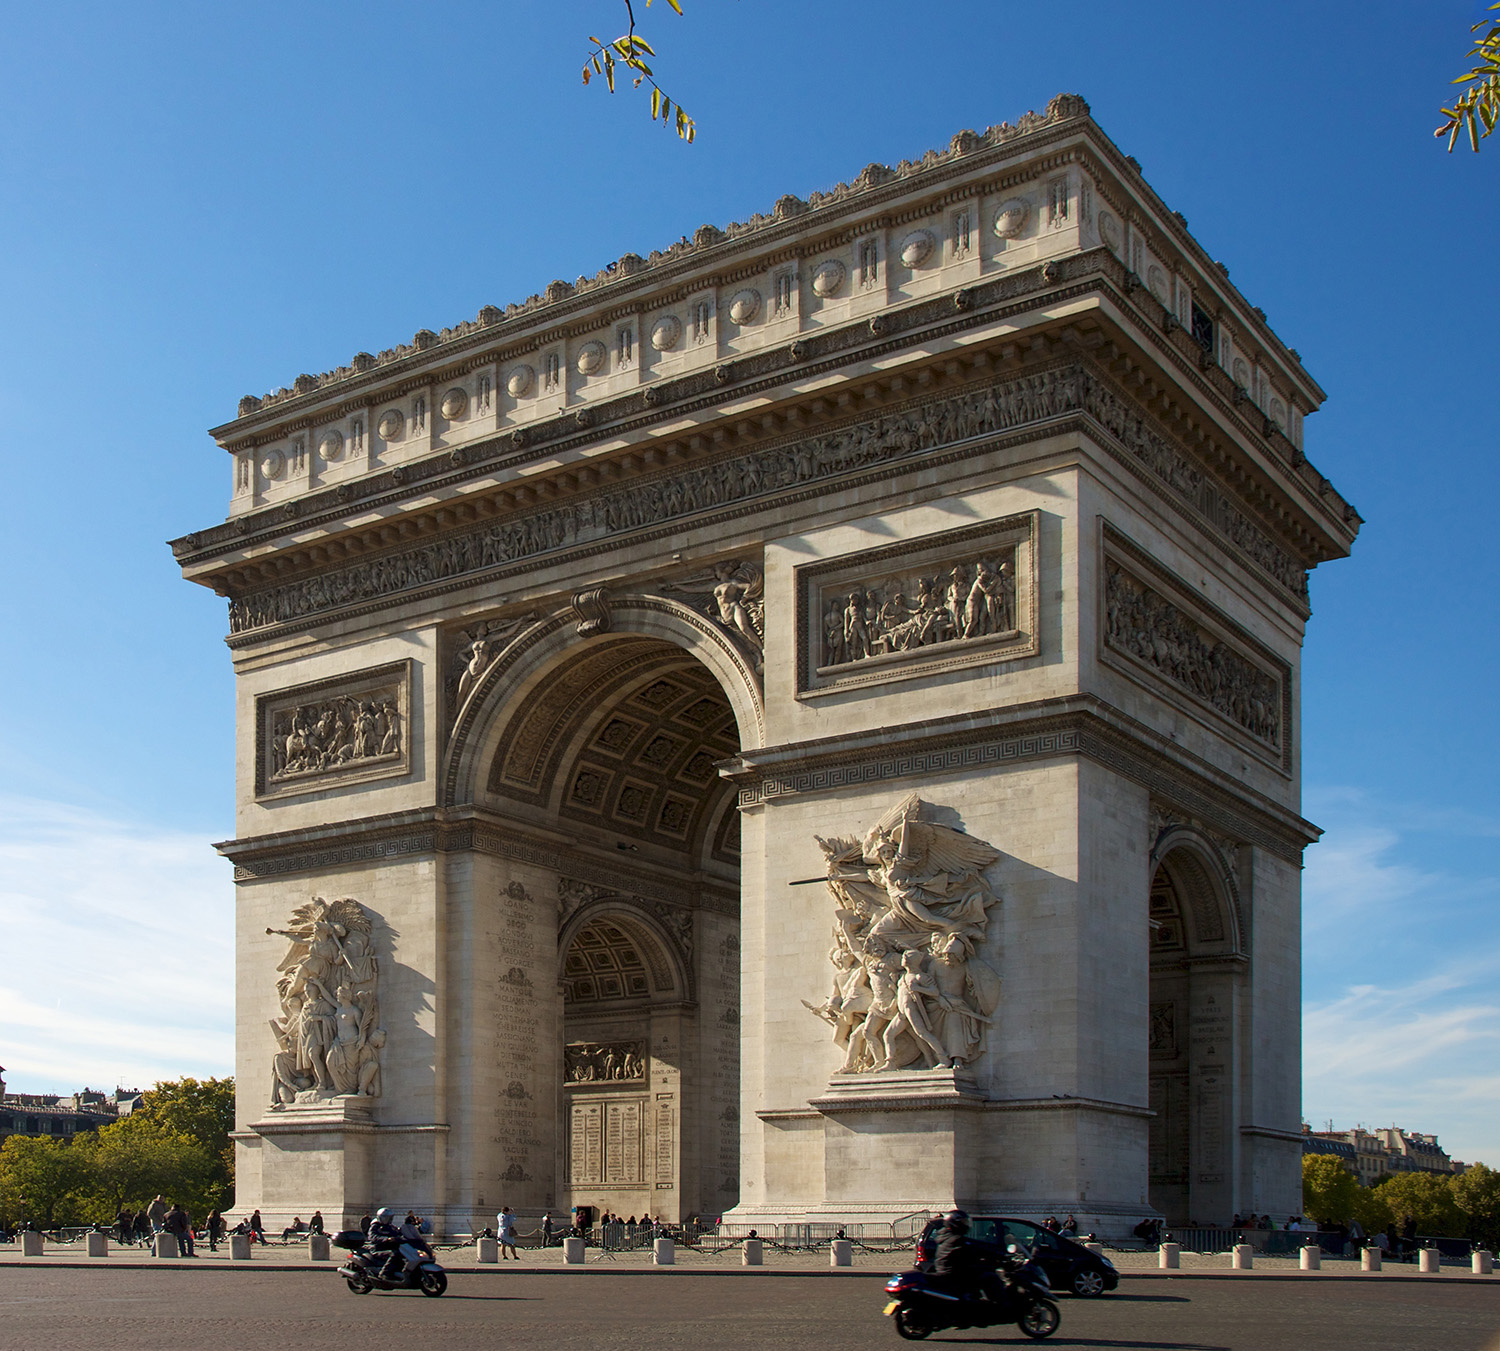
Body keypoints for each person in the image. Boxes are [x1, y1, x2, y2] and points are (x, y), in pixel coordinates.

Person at [931, 1210, 1003, 1303]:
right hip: (954, 1274)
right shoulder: (955, 1239)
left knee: (982, 1271)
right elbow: (974, 1250)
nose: (966, 1225)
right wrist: (996, 1255)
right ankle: (999, 1307)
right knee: (991, 1277)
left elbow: (971, 1251)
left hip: (950, 1271)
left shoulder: (946, 1237)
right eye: (964, 1222)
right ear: (955, 1223)